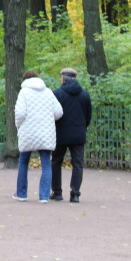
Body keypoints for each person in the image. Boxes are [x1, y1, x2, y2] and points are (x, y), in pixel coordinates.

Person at [13, 71, 64, 203]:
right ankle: (44, 196)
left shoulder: (23, 92)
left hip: (28, 132)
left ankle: (21, 194)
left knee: (23, 161)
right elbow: (59, 112)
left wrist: (18, 126)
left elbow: (19, 114)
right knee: (46, 163)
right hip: (45, 132)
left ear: (24, 80)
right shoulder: (48, 92)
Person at [50, 68, 92, 203]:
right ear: (75, 78)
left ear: (63, 78)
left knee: (56, 161)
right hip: (78, 135)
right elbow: (88, 116)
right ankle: (75, 194)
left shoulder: (56, 94)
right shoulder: (85, 94)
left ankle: (57, 192)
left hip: (60, 134)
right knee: (78, 164)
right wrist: (81, 128)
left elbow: (52, 115)